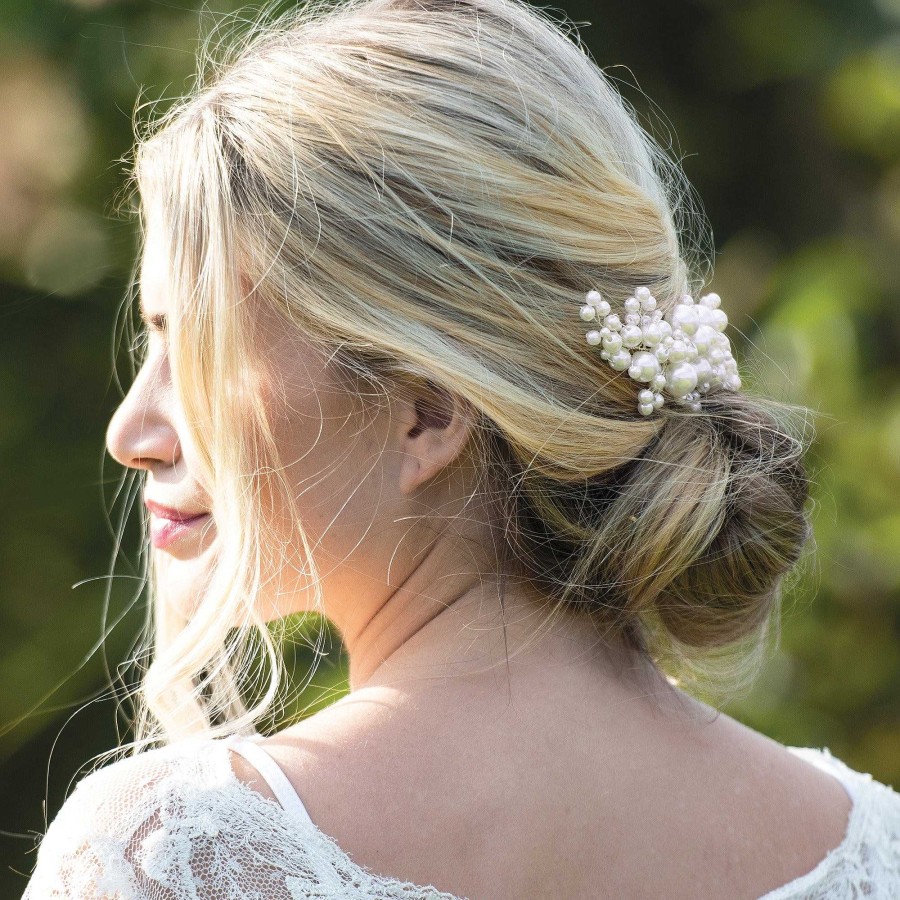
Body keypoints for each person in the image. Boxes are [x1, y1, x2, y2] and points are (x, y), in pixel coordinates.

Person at [21, 0, 900, 896]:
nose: (131, 433)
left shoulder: (174, 858)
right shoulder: (873, 852)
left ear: (428, 416)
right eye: (151, 342)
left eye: (200, 353)